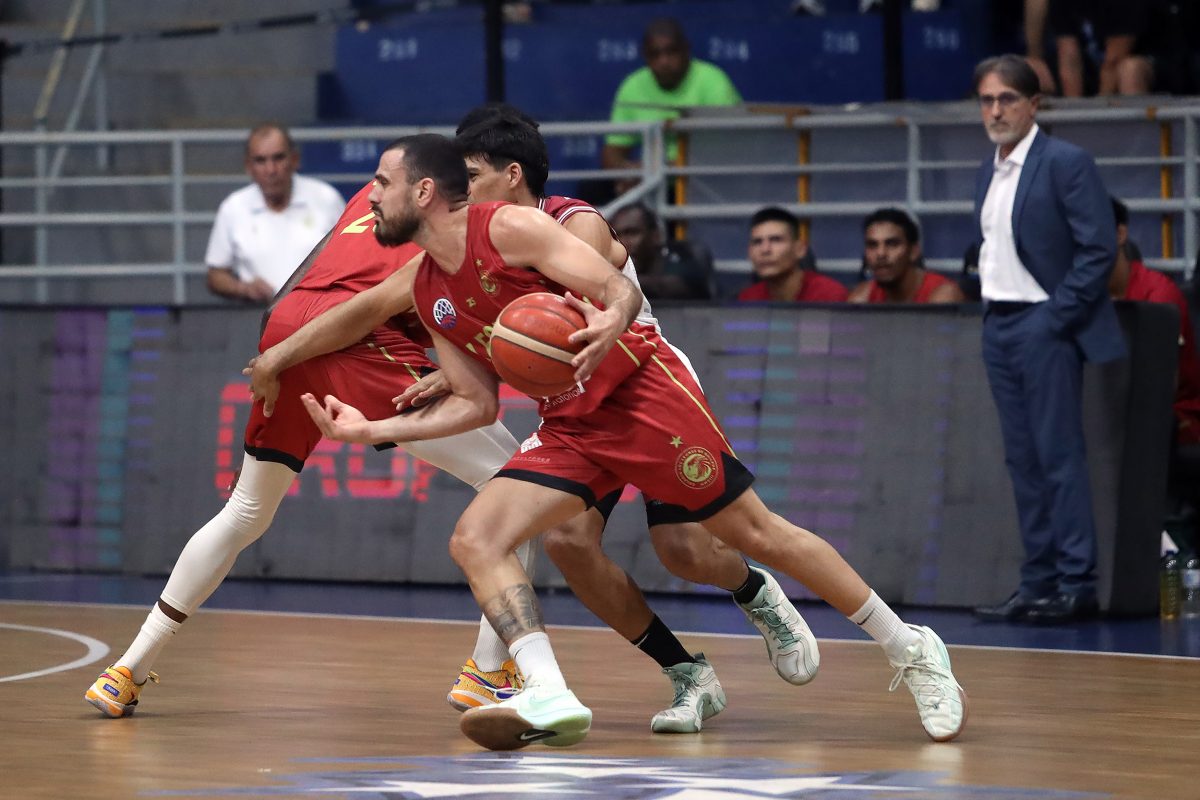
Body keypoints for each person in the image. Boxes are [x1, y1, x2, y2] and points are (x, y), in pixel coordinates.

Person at [250, 134, 966, 750]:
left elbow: (618, 287)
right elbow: (475, 403)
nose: (369, 197)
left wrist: (608, 323)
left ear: (425, 192)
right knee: (477, 538)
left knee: (753, 533)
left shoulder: (510, 228)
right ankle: (548, 692)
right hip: (570, 424)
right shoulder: (430, 289)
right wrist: (372, 429)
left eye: (381, 183)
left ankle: (910, 646)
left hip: (638, 395)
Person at [85, 178, 539, 720]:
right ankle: (488, 672)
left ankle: (126, 670)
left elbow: (308, 272)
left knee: (244, 512)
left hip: (286, 322)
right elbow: (412, 305)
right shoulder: (465, 219)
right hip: (348, 335)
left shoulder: (373, 194)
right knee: (520, 488)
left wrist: (277, 350)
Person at [442, 107, 817, 733]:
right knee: (567, 542)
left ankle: (754, 591)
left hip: (642, 384)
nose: (461, 191)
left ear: (511, 175)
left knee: (684, 550)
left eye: (470, 176)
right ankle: (687, 672)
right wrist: (463, 362)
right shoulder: (487, 247)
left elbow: (549, 329)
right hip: (577, 406)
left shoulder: (573, 222)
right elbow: (510, 334)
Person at [969, 55, 1124, 625]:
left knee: (1058, 457)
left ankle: (1076, 583)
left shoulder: (1065, 161)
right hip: (1000, 323)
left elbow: (1098, 248)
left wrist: (1054, 317)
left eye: (1007, 99)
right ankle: (1038, 581)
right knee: (1023, 460)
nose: (996, 110)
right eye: (987, 100)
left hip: (1042, 321)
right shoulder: (987, 169)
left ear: (1034, 105)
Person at [205, 123, 345, 302]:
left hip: (321, 311)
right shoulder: (233, 208)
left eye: (278, 158)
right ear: (248, 166)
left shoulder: (327, 199)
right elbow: (215, 274)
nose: (271, 170)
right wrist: (244, 289)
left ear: (295, 160)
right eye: (260, 160)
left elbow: (353, 258)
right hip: (257, 315)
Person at [601, 18, 741, 193]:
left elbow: (730, 150)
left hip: (701, 182)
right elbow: (612, 151)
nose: (664, 61)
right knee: (591, 191)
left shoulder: (714, 82)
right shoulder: (632, 86)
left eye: (672, 52)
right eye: (655, 54)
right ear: (645, 57)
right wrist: (628, 172)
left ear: (686, 50)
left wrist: (666, 169)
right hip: (650, 183)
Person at [1108, 197, 1200, 446]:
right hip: (1110, 413)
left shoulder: (1158, 296)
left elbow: (1160, 387)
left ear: (1120, 234)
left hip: (1174, 418)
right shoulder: (1077, 297)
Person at [848, 208, 966, 304]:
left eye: (892, 244)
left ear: (914, 251)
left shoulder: (942, 296)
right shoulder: (862, 299)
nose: (881, 254)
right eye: (872, 245)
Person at [738, 207, 846, 303]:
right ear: (749, 253)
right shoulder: (747, 300)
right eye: (757, 242)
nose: (765, 250)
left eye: (776, 240)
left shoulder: (829, 296)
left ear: (800, 249)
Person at [611, 202, 713, 300]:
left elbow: (683, 286)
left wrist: (618, 280)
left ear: (655, 236)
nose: (622, 242)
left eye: (632, 233)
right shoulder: (613, 261)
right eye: (616, 235)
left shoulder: (682, 256)